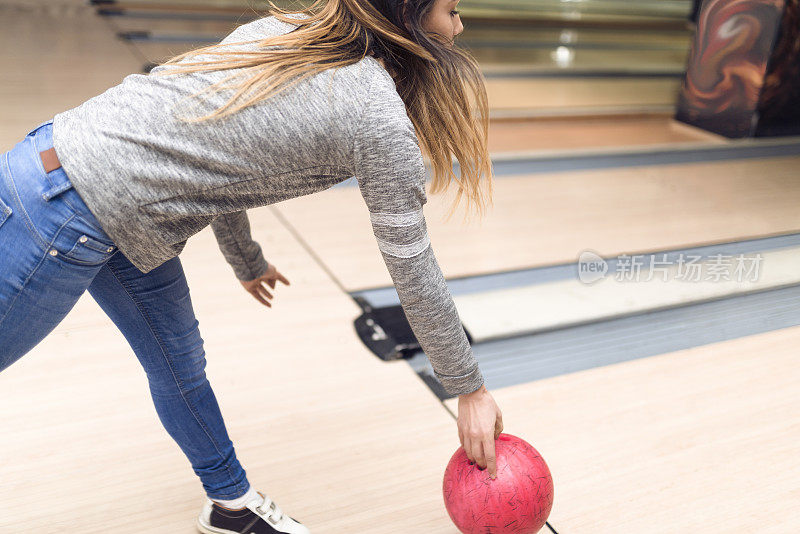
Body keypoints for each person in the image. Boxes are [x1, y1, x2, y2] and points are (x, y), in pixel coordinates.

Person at [0, 0, 504, 531]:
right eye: (452, 10)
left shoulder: (291, 32)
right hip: (65, 205)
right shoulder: (373, 111)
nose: (460, 26)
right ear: (410, 14)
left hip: (105, 200)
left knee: (180, 362)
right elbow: (412, 264)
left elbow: (216, 152)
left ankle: (231, 507)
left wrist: (245, 260)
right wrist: (468, 389)